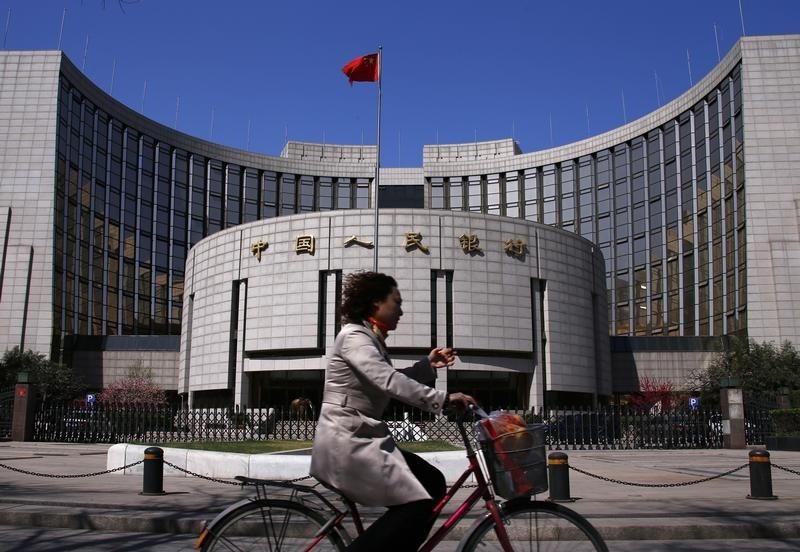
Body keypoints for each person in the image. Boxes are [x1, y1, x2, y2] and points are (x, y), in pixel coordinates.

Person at [310, 271, 476, 551]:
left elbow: (385, 377)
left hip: (361, 438)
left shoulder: (369, 338)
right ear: (376, 303)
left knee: (432, 482)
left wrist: (426, 364)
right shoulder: (354, 337)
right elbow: (388, 381)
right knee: (419, 498)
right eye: (396, 302)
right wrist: (444, 398)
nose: (401, 310)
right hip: (347, 443)